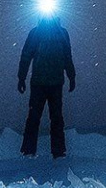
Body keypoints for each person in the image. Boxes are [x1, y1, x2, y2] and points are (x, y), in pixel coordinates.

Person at [17, 12, 76, 157]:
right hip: (40, 83)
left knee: (54, 118)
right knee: (36, 117)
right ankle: (29, 151)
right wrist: (21, 78)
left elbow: (67, 55)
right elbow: (26, 55)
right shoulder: (36, 33)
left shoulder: (61, 33)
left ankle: (57, 152)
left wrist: (71, 76)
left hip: (54, 83)